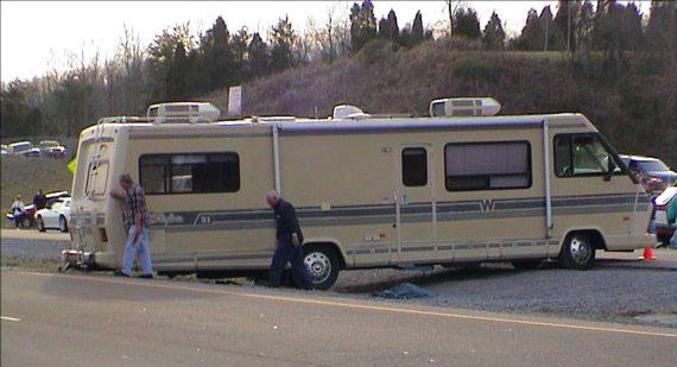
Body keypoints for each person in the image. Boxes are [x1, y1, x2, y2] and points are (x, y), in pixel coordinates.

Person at [266, 191, 313, 290]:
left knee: (277, 262)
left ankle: (273, 284)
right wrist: (278, 238)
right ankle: (308, 285)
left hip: (289, 240)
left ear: (275, 198)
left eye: (269, 201)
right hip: (289, 239)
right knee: (298, 264)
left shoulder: (284, 207)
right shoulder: (277, 208)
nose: (268, 203)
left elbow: (291, 222)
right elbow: (280, 225)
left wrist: (294, 235)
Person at [109, 174, 153, 278]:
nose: (121, 186)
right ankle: (148, 271)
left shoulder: (136, 191)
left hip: (138, 224)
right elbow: (128, 200)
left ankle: (126, 270)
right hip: (141, 224)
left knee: (130, 246)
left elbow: (138, 209)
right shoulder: (132, 191)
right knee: (143, 249)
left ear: (125, 182)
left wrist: (138, 226)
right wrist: (117, 196)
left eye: (121, 183)